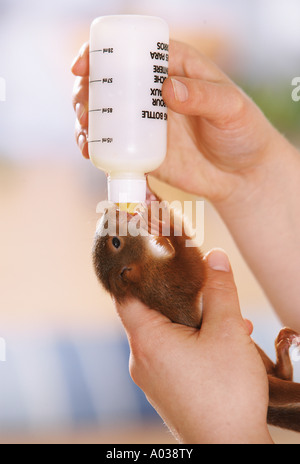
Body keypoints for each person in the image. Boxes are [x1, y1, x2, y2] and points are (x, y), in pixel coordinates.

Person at [71, 40, 300, 444]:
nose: (117, 218)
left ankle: (281, 370)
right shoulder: (163, 283)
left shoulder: (148, 271)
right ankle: (281, 372)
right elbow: (189, 259)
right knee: (272, 392)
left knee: (272, 391)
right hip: (249, 376)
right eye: (117, 239)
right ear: (129, 271)